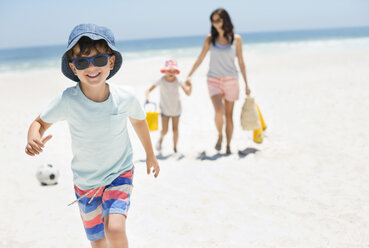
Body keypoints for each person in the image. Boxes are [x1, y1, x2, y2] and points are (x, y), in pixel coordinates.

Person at [25, 24, 160, 248]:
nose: (91, 68)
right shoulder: (68, 99)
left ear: (111, 62)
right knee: (98, 242)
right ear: (73, 68)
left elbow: (138, 121)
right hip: (85, 183)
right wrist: (33, 137)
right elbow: (39, 122)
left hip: (119, 173)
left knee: (115, 229)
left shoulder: (125, 97)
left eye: (98, 60)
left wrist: (150, 154)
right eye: (82, 62)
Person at [185, 8, 251, 154]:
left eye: (218, 20)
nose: (216, 24)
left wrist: (246, 84)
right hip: (213, 80)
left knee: (229, 115)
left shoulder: (236, 39)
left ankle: (228, 145)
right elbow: (201, 58)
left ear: (225, 20)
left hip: (231, 80)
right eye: (213, 21)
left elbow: (241, 62)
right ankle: (220, 135)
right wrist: (189, 75)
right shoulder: (210, 39)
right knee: (219, 111)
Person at [145, 58, 192, 153]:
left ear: (176, 72)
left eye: (173, 71)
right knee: (165, 130)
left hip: (176, 109)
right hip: (164, 109)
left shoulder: (178, 80)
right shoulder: (161, 80)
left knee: (175, 130)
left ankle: (175, 148)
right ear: (165, 71)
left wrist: (190, 86)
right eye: (169, 70)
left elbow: (187, 93)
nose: (171, 72)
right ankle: (161, 139)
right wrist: (147, 98)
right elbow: (148, 90)